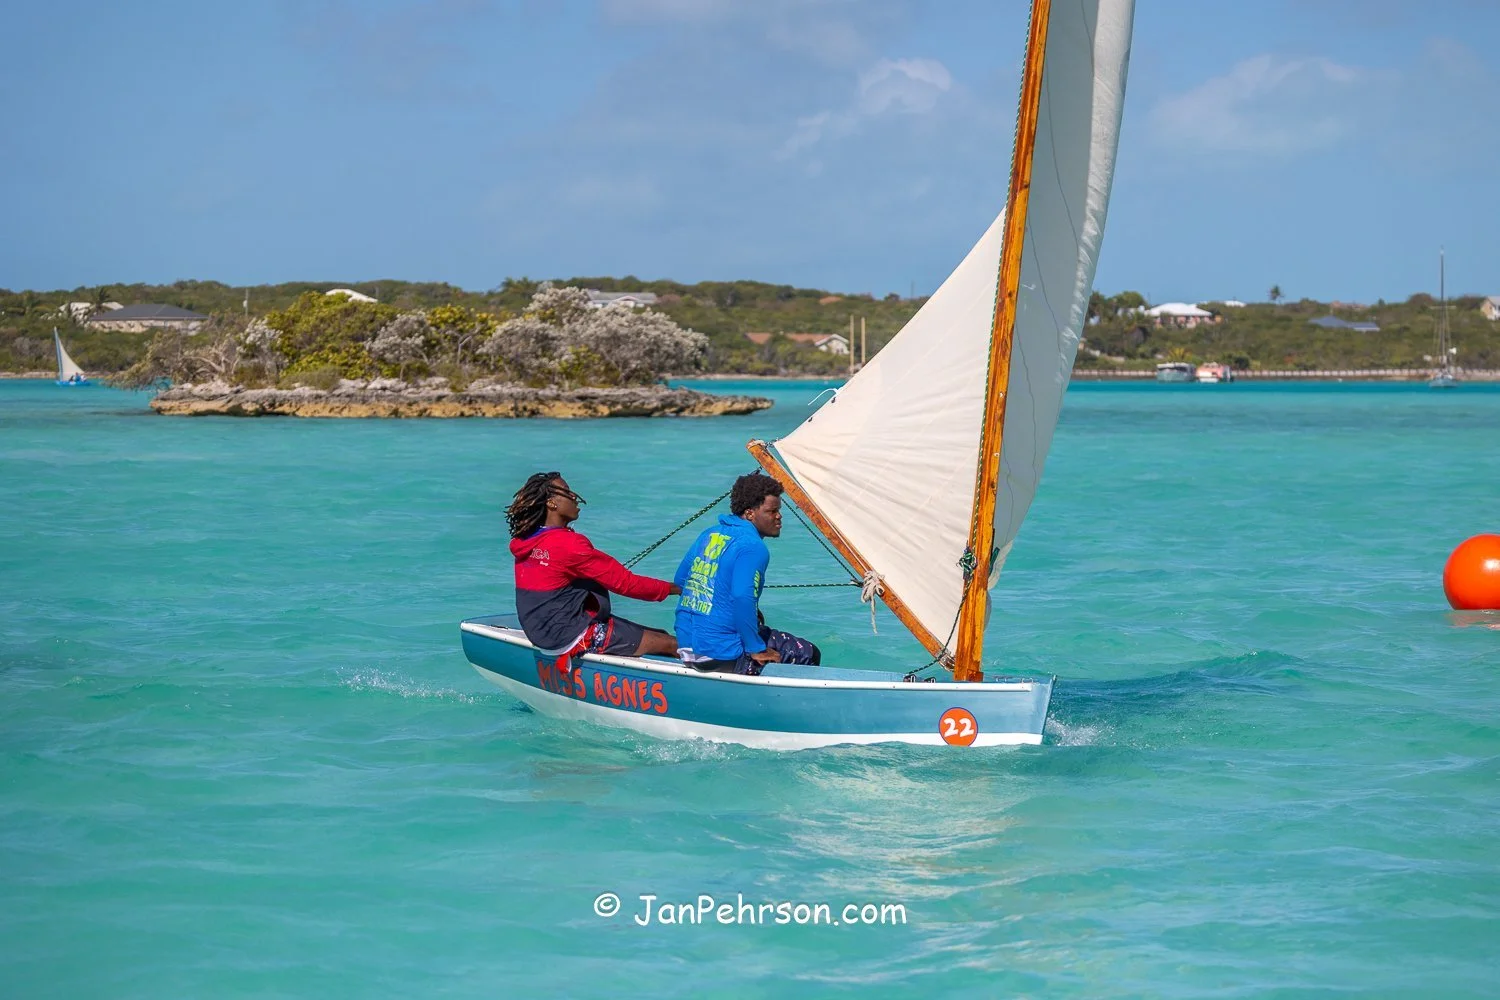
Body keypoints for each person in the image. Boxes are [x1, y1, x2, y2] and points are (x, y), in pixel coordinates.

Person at [507, 472, 680, 659]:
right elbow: (627, 584)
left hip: (542, 633)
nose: (574, 496)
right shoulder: (568, 544)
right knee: (674, 645)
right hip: (570, 635)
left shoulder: (527, 540)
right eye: (566, 492)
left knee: (660, 635)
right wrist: (677, 589)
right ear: (551, 503)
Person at [673, 473, 821, 675]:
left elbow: (681, 581)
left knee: (757, 624)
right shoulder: (753, 547)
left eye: (779, 510)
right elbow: (742, 597)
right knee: (808, 652)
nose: (779, 516)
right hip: (719, 653)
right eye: (772, 511)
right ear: (750, 513)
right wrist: (756, 649)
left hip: (687, 646)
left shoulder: (709, 534)